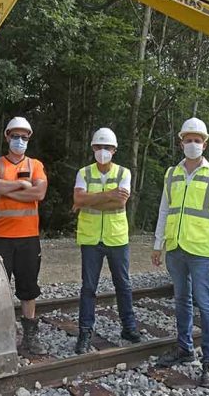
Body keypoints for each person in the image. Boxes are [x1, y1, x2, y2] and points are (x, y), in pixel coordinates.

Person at [151, 117, 209, 387]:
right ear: (181, 142)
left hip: (200, 251)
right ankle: (184, 350)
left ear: (205, 144)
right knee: (181, 301)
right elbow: (164, 210)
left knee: (205, 303)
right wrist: (157, 243)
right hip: (175, 248)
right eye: (189, 139)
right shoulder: (172, 174)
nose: (193, 144)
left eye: (197, 140)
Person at [0, 116, 48, 355]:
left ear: (29, 138)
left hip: (28, 238)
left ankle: (30, 336)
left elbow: (39, 193)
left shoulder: (35, 165)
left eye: (24, 136)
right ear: (7, 136)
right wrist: (22, 186)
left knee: (28, 288)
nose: (19, 140)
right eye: (15, 135)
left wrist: (6, 189)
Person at [72, 127, 141, 354]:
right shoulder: (84, 172)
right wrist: (109, 194)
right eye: (99, 147)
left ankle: (128, 327)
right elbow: (77, 198)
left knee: (123, 284)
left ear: (114, 150)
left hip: (116, 238)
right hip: (91, 238)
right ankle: (84, 332)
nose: (103, 151)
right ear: (93, 148)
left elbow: (120, 203)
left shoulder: (124, 173)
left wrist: (88, 200)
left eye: (107, 147)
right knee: (88, 287)